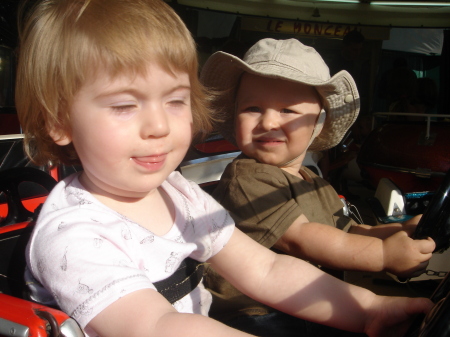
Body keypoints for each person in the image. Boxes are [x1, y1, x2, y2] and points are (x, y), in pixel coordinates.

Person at [16, 1, 433, 336]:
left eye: (176, 100)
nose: (159, 126)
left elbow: (267, 268)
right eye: (125, 105)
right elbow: (157, 325)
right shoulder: (72, 236)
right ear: (60, 121)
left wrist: (367, 310)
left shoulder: (177, 191)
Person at [200, 38, 436, 336]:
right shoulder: (247, 178)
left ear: (318, 123)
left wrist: (398, 233)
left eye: (288, 110)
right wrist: (384, 256)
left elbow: (347, 232)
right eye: (252, 108)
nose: (269, 121)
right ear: (234, 116)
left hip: (308, 302)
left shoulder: (315, 183)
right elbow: (302, 237)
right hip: (256, 311)